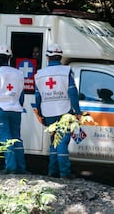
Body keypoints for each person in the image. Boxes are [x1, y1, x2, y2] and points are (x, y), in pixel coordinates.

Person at [34, 43, 82, 179]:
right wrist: (77, 112)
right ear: (60, 56)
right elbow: (73, 93)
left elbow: (38, 96)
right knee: (62, 142)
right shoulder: (65, 71)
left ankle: (52, 171)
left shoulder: (40, 74)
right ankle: (65, 173)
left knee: (54, 141)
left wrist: (41, 113)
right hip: (64, 111)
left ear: (47, 57)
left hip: (48, 112)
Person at [0, 44, 27, 174]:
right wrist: (18, 105)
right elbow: (21, 94)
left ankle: (11, 167)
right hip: (15, 110)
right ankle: (21, 167)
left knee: (6, 139)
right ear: (9, 57)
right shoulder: (19, 73)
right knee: (16, 138)